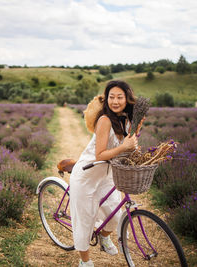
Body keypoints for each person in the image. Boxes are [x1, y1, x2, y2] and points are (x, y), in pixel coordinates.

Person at [70, 80, 139, 267]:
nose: (115, 101)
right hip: (86, 175)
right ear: (106, 99)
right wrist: (124, 146)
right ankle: (85, 262)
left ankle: (103, 236)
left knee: (116, 216)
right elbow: (100, 154)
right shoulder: (104, 120)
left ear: (127, 99)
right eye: (111, 97)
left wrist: (133, 148)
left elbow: (125, 149)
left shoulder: (126, 120)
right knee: (84, 221)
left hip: (106, 175)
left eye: (119, 97)